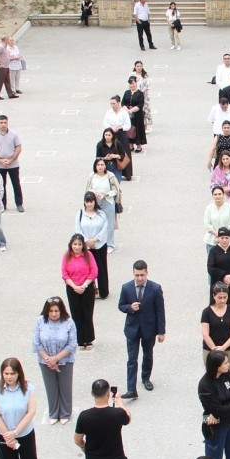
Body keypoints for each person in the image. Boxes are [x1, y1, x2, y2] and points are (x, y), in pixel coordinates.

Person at [118, 260, 166, 399]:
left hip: (149, 328)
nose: (139, 278)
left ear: (146, 273)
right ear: (133, 273)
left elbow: (160, 311)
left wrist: (161, 331)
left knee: (148, 355)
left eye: (142, 275)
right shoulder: (126, 287)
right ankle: (131, 389)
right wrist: (130, 308)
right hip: (132, 328)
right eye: (137, 275)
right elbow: (121, 305)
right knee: (132, 359)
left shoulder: (155, 288)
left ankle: (146, 378)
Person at [33, 297, 75, 423]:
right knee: (50, 387)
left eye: (56, 311)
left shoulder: (69, 322)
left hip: (65, 360)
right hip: (45, 361)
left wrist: (56, 358)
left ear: (61, 310)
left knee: (65, 387)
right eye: (50, 311)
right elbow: (36, 343)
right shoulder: (40, 321)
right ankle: (53, 412)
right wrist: (48, 359)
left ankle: (65, 412)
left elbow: (72, 344)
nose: (53, 314)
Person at [62, 235, 98, 348]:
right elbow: (64, 274)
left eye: (79, 244)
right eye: (75, 244)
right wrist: (74, 286)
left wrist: (84, 285)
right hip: (72, 288)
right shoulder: (67, 256)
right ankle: (79, 339)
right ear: (71, 245)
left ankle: (88, 339)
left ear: (83, 245)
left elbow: (94, 271)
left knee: (87, 313)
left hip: (86, 287)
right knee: (76, 313)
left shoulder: (88, 255)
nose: (77, 247)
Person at [201, 281, 230, 377]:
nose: (223, 300)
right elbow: (205, 334)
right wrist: (214, 350)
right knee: (212, 376)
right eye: (220, 297)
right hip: (211, 349)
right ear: (214, 296)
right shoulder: (206, 312)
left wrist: (223, 347)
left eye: (225, 297)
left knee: (229, 376)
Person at [76, 194, 110, 300]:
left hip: (99, 245)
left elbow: (104, 228)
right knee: (86, 269)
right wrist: (86, 241)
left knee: (101, 268)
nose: (89, 204)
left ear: (94, 202)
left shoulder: (101, 214)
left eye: (91, 201)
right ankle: (90, 290)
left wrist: (95, 239)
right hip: (86, 246)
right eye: (87, 201)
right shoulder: (80, 213)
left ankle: (103, 291)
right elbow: (78, 229)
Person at [0, 115, 22, 212]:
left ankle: (19, 204)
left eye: (5, 122)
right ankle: (3, 204)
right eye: (1, 122)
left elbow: (18, 148)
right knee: (1, 185)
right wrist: (0, 160)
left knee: (16, 184)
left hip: (13, 164)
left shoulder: (14, 134)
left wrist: (11, 160)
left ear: (7, 123)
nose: (3, 124)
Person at [206, 229, 230, 317]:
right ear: (218, 238)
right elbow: (210, 268)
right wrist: (224, 276)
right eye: (222, 238)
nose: (224, 240)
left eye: (226, 238)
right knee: (219, 305)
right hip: (218, 284)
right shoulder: (213, 251)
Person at [86, 158, 121, 253]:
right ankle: (96, 243)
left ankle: (110, 244)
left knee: (109, 225)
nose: (100, 167)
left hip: (108, 201)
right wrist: (94, 193)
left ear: (105, 166)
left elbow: (116, 190)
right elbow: (88, 189)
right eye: (98, 165)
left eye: (102, 165)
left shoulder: (110, 176)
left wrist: (106, 194)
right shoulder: (92, 176)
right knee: (95, 223)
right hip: (95, 202)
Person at [203, 186, 230, 255]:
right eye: (215, 194)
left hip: (226, 242)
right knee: (211, 261)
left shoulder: (229, 208)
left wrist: (222, 238)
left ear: (223, 194)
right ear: (212, 196)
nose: (217, 196)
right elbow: (207, 225)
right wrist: (218, 236)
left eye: (219, 194)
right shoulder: (209, 208)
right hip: (212, 241)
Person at [122, 76, 147, 154]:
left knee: (138, 129)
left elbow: (140, 105)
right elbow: (123, 103)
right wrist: (127, 110)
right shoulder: (126, 92)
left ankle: (139, 145)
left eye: (133, 83)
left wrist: (131, 110)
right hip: (128, 115)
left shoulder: (140, 93)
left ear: (136, 83)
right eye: (130, 84)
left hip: (137, 115)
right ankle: (131, 145)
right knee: (129, 129)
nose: (131, 85)